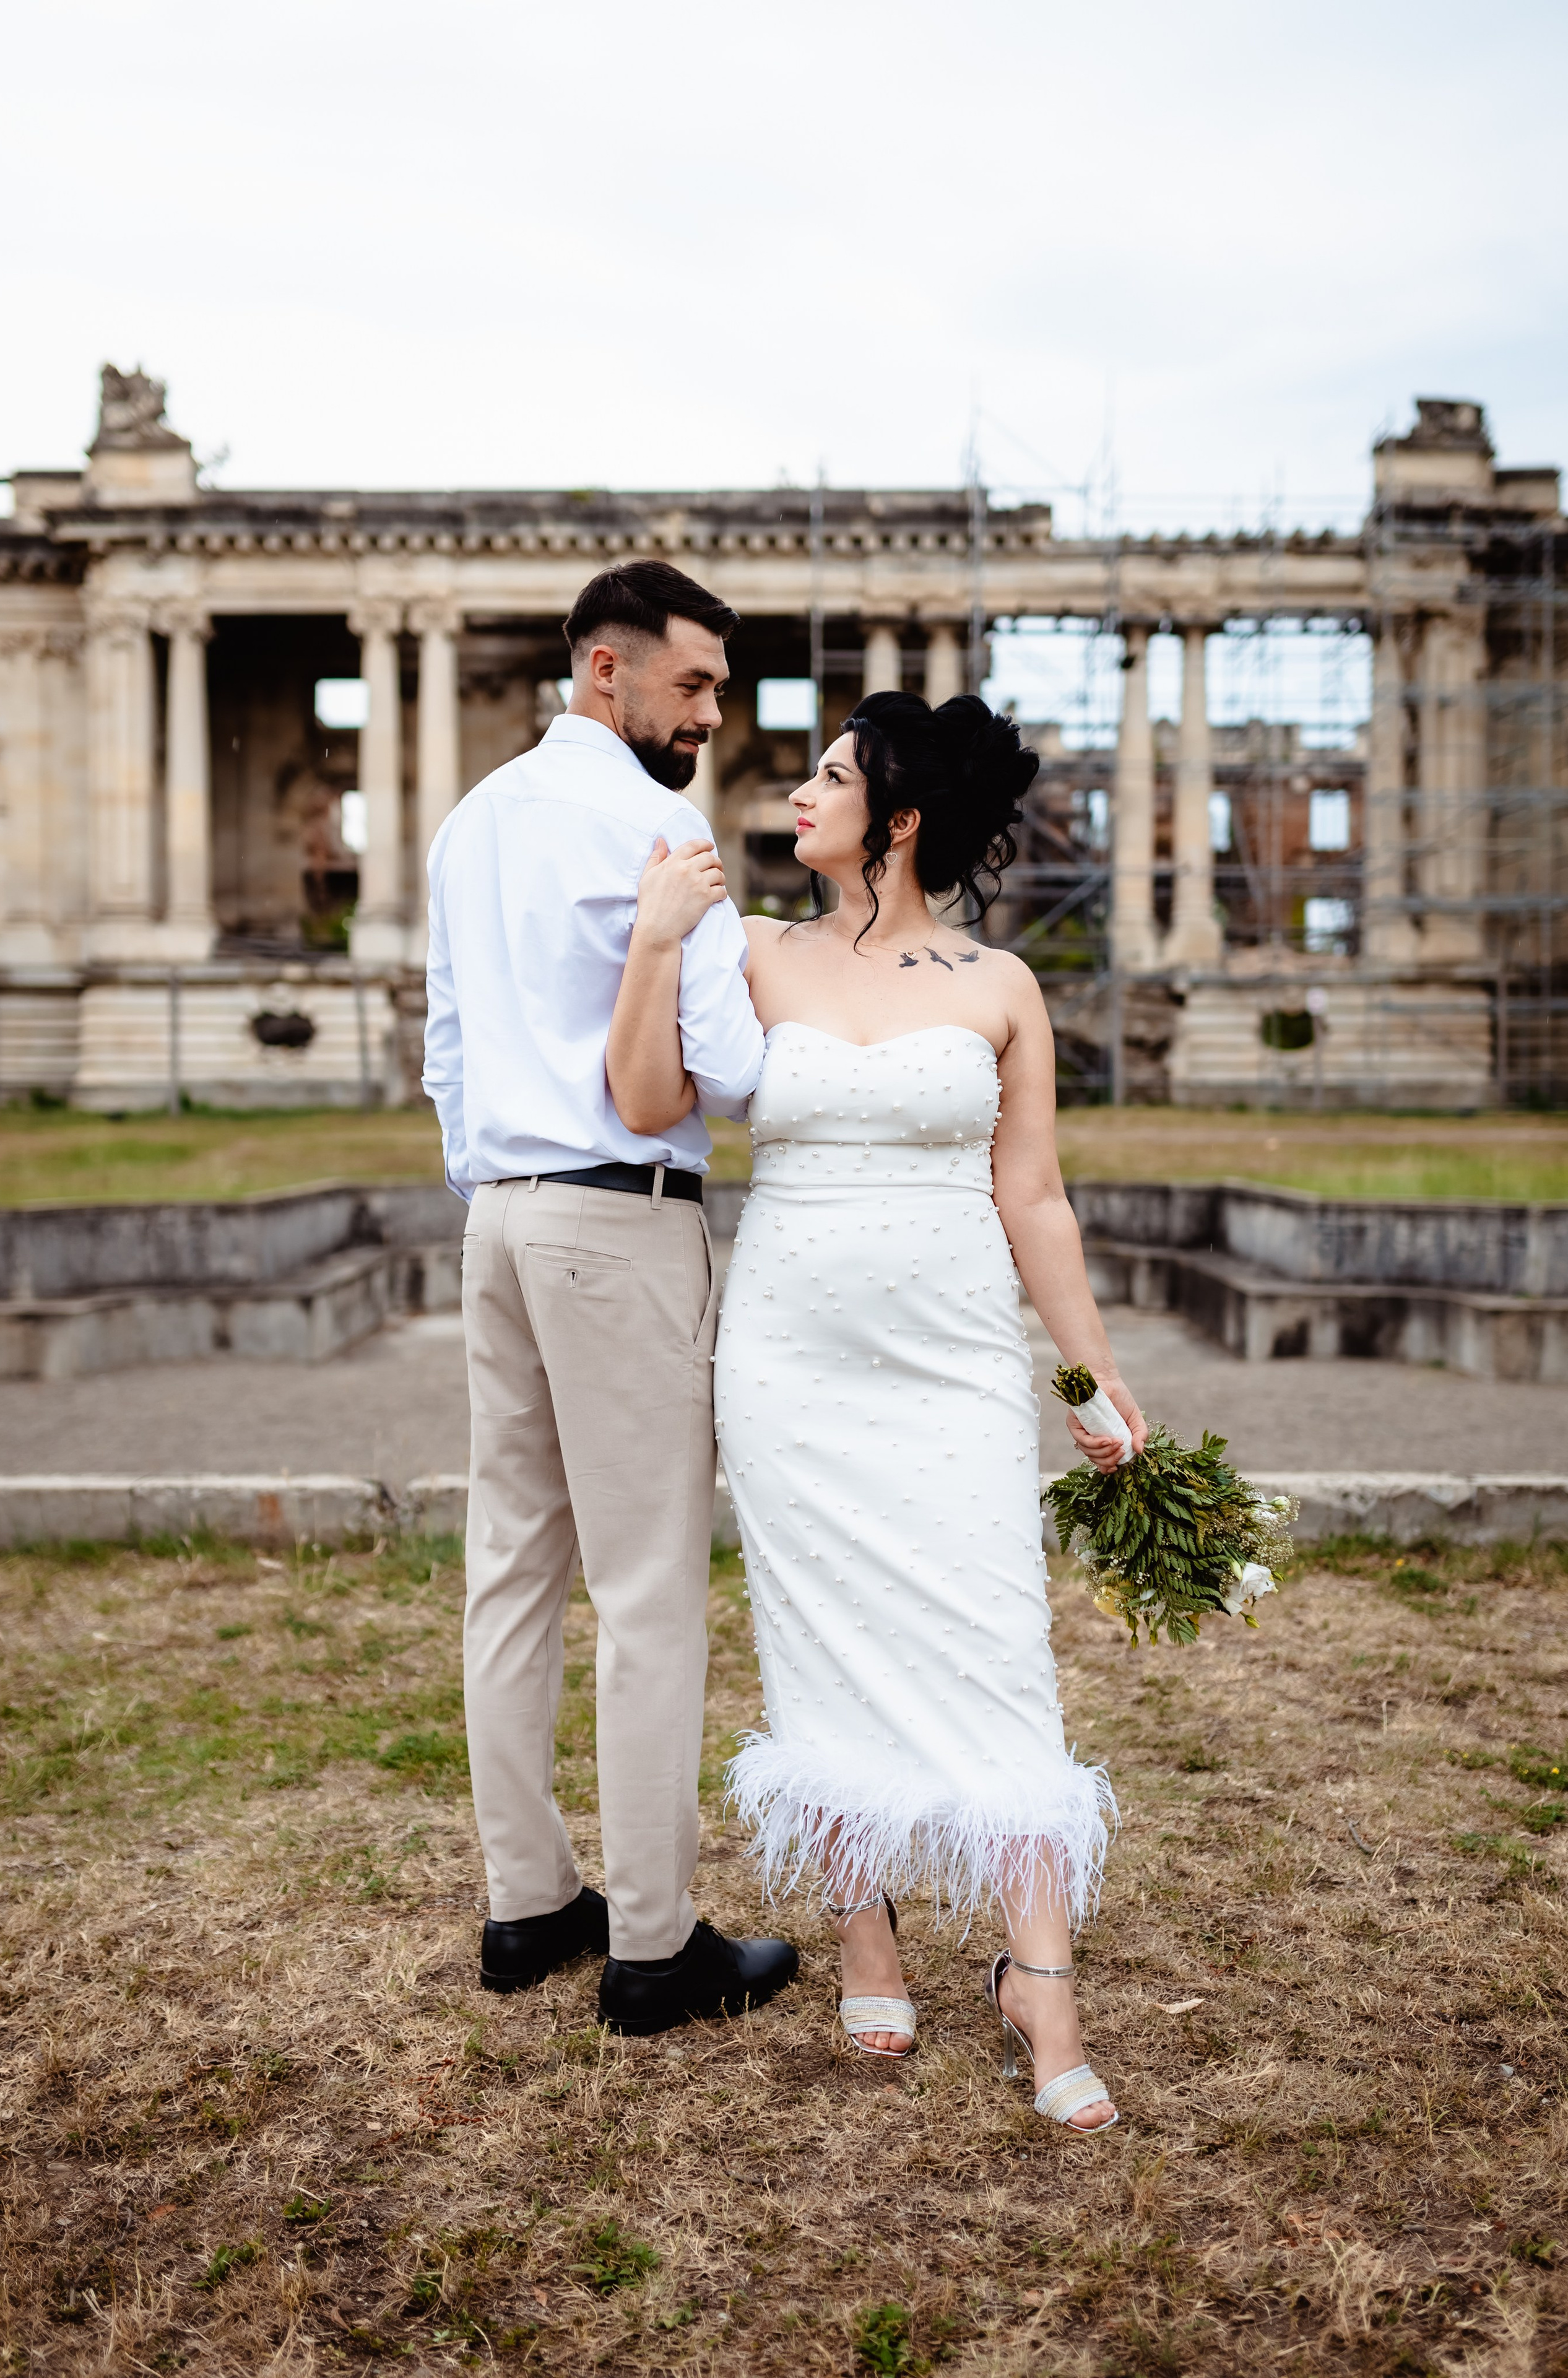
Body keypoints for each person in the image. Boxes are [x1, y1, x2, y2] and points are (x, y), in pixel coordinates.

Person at [605, 689, 1145, 2128]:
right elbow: (650, 1094)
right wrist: (659, 942)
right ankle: (865, 1930)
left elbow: (1032, 1197)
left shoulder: (1000, 986)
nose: (797, 792)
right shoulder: (751, 951)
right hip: (787, 1359)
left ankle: (1042, 1978)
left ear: (896, 821)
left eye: (830, 777)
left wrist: (1085, 1376)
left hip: (952, 1359)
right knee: (819, 1629)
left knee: (994, 1644)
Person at [422, 558, 799, 2037]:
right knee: (647, 1590)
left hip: (500, 1222)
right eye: (692, 685)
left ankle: (528, 1902)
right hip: (618, 1218)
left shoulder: (468, 822)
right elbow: (730, 1068)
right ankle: (652, 1944)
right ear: (605, 670)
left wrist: (491, 1183)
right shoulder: (654, 825)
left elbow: (448, 1046)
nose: (711, 715)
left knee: (510, 1567)